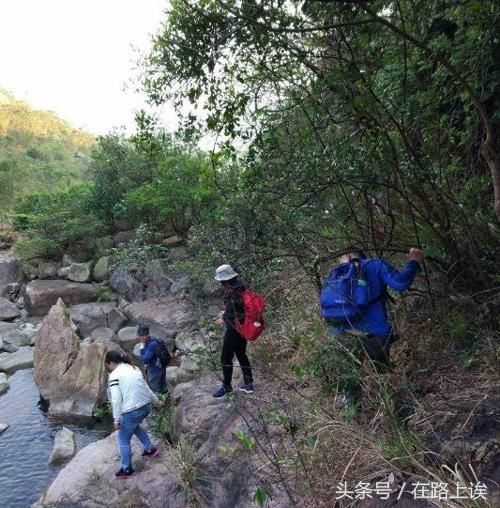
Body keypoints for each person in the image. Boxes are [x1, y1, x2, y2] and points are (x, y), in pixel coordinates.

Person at [327, 248, 424, 405]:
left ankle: (351, 410)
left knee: (349, 382)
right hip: (375, 336)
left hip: (342, 337)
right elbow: (401, 283)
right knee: (384, 379)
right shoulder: (375, 265)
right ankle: (393, 408)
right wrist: (414, 261)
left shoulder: (334, 275)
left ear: (347, 257)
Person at [105, 350, 163, 477]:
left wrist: (116, 419)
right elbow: (146, 388)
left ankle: (126, 469)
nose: (108, 368)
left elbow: (116, 399)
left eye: (107, 365)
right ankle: (150, 450)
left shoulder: (114, 374)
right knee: (134, 425)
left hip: (133, 410)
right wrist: (157, 402)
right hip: (146, 407)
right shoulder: (134, 368)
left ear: (111, 363)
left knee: (123, 439)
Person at [212, 264, 254, 397]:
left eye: (221, 281)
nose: (220, 283)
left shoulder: (233, 292)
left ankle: (227, 386)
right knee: (241, 354)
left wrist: (223, 318)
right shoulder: (241, 287)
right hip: (243, 326)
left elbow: (231, 312)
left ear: (225, 280)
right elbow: (238, 308)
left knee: (225, 357)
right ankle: (248, 383)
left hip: (234, 328)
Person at [137, 324, 166, 394]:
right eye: (141, 335)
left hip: (154, 371)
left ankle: (160, 403)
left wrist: (141, 348)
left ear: (148, 334)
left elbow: (145, 359)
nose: (143, 337)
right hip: (161, 367)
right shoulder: (154, 340)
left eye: (145, 335)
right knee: (162, 387)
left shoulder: (152, 344)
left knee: (154, 390)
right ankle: (166, 401)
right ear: (138, 335)